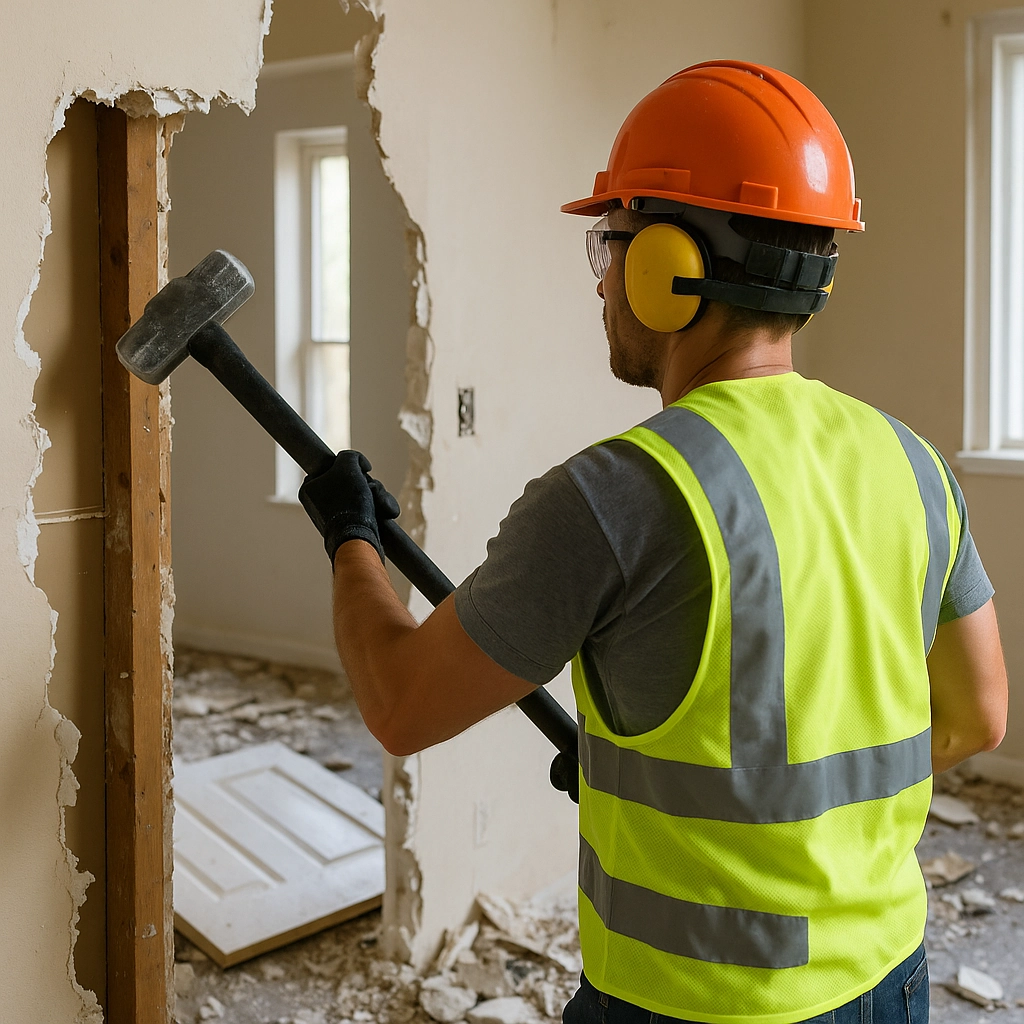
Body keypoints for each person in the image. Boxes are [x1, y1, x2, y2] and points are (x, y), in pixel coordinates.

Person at [298, 61, 1009, 1024]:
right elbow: (976, 718)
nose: (602, 283)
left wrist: (350, 538)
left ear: (665, 264)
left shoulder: (615, 496)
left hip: (696, 1005)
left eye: (612, 244)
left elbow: (399, 703)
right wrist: (644, 789)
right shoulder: (912, 463)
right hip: (889, 980)